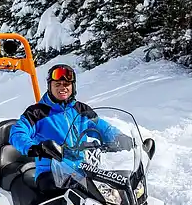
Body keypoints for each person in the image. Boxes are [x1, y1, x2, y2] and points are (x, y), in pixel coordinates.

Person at [9, 64, 132, 194]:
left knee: (113, 191)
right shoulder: (37, 113)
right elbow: (17, 132)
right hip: (51, 172)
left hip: (82, 170)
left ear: (73, 86)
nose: (62, 88)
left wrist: (118, 137)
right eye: (57, 84)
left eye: (66, 84)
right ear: (50, 87)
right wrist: (34, 147)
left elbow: (103, 128)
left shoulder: (81, 110)